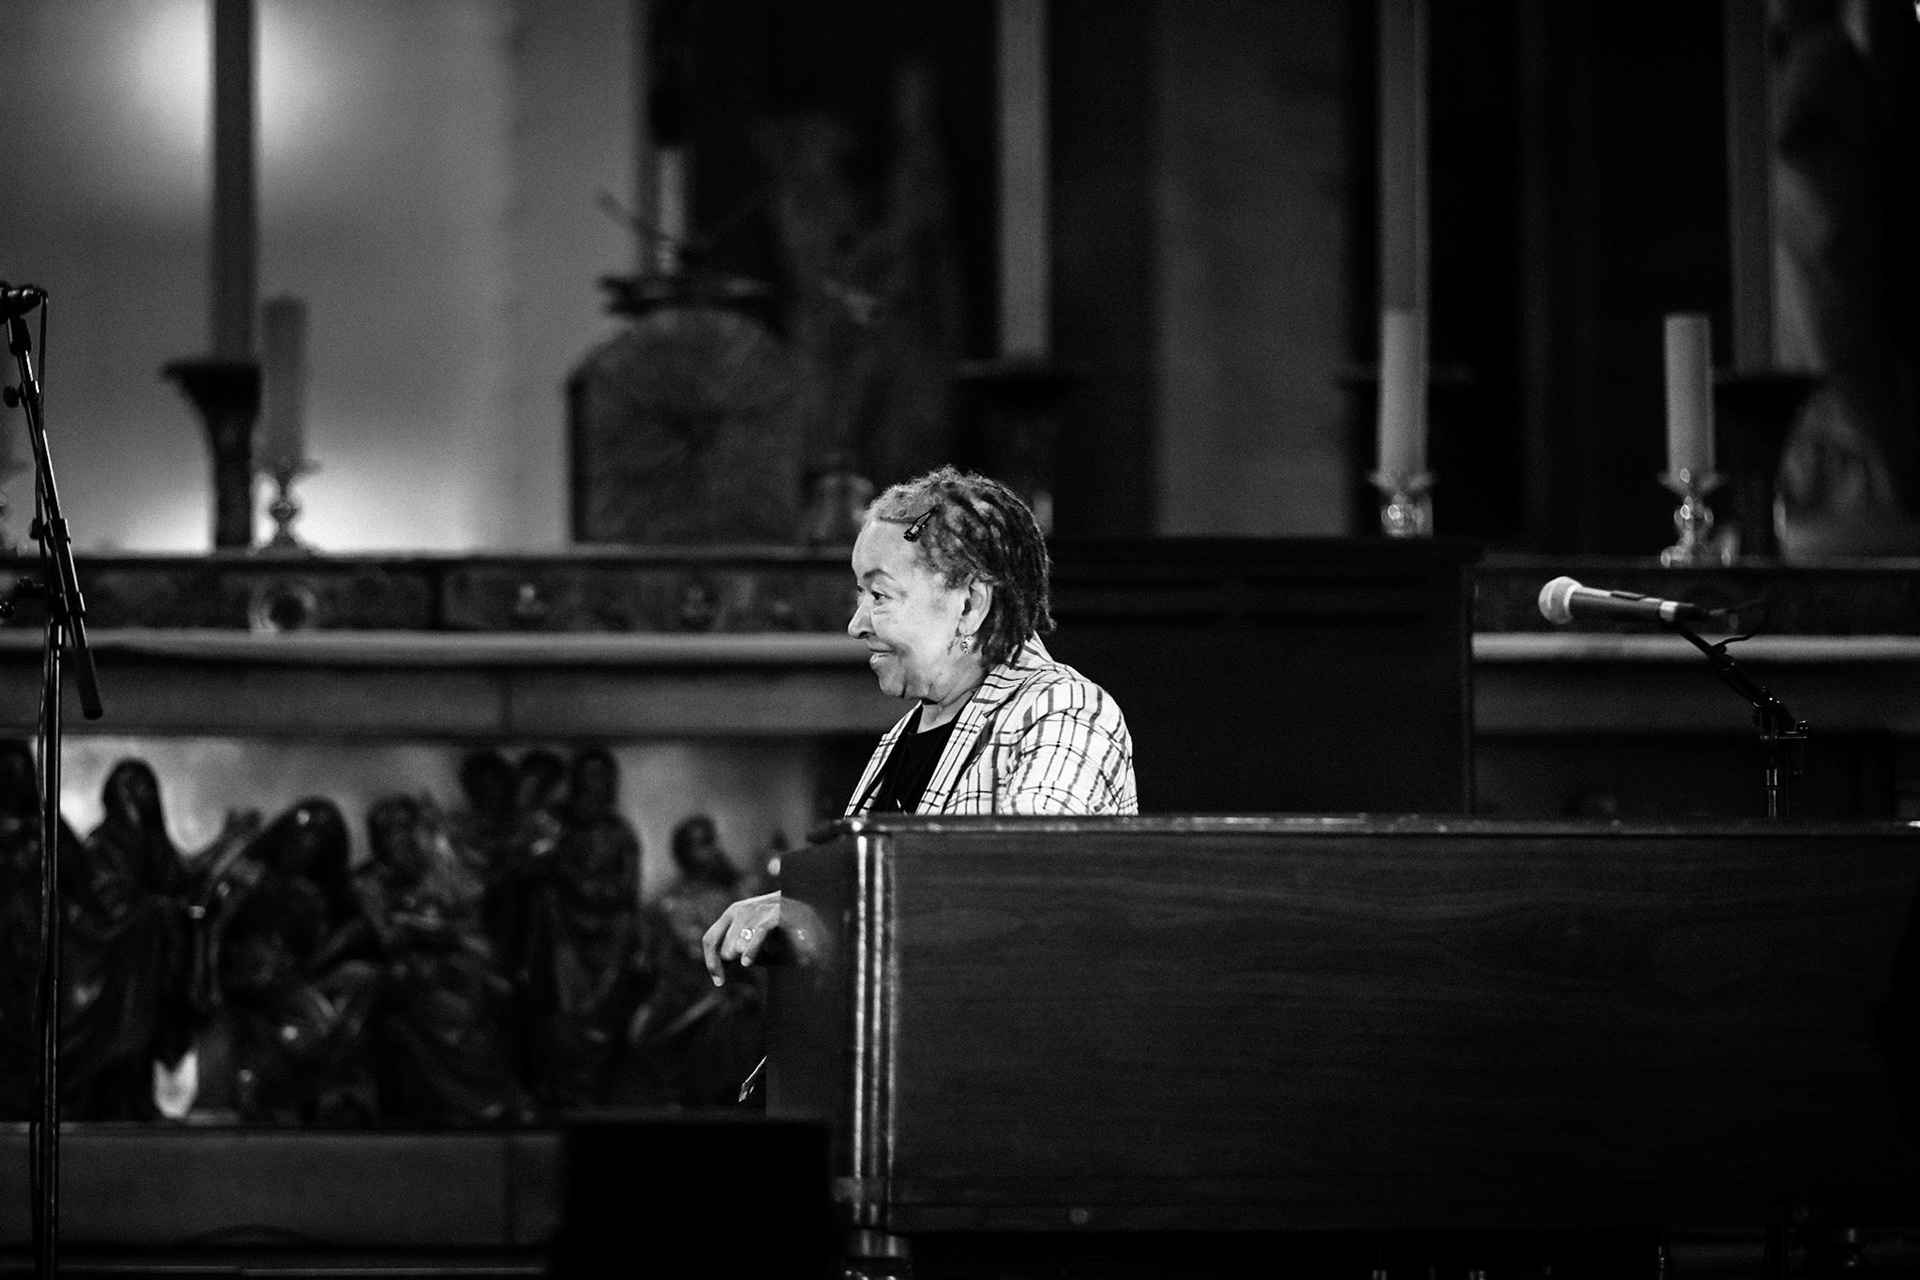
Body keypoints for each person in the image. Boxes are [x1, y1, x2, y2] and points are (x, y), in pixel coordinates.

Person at [702, 466, 1136, 983]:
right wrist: (796, 911)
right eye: (860, 595)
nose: (857, 624)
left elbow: (1022, 896)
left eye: (880, 596)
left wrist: (812, 911)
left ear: (969, 605)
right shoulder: (906, 732)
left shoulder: (1064, 709)